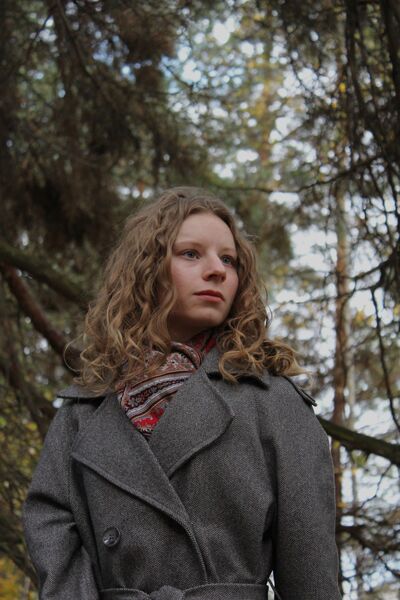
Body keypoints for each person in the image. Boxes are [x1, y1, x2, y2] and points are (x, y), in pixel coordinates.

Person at [23, 187, 342, 600]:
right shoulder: (84, 411)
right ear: (147, 269)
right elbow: (52, 529)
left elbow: (312, 576)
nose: (217, 270)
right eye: (191, 254)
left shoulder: (274, 402)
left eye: (228, 259)